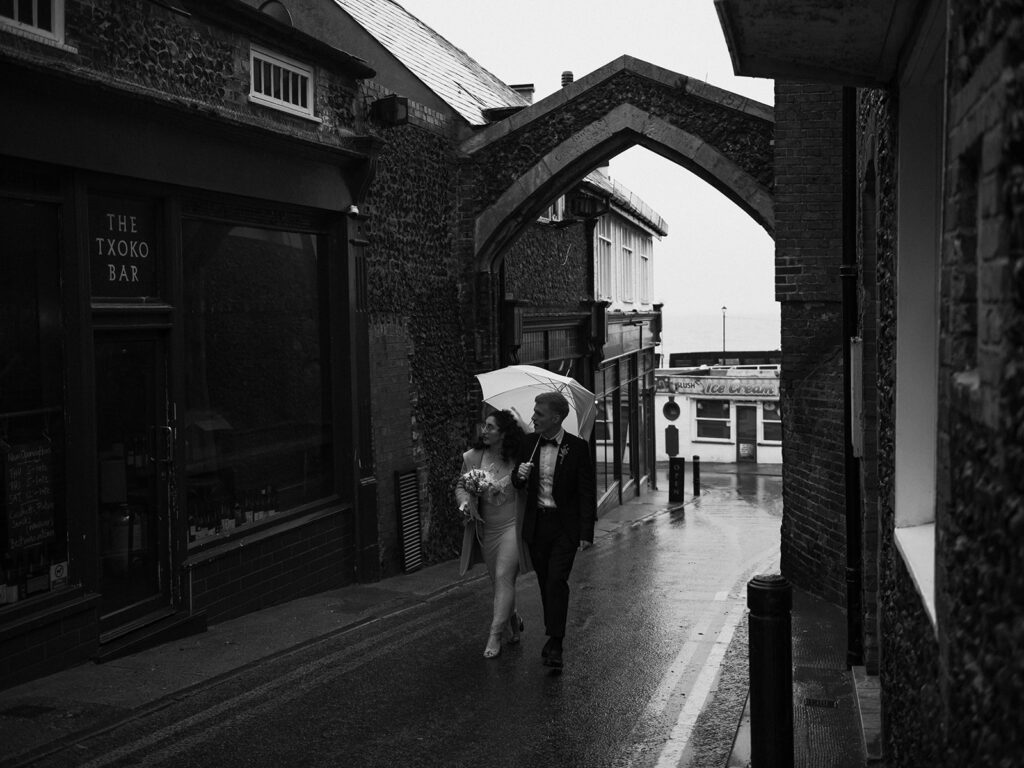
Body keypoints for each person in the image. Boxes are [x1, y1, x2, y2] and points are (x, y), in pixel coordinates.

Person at [512, 391, 596, 669]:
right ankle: (553, 635)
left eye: (539, 413)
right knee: (545, 583)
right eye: (534, 412)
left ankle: (556, 642)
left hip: (564, 527)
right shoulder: (528, 443)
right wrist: (519, 476)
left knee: (556, 582)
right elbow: (517, 483)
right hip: (537, 526)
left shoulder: (578, 447)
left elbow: (586, 491)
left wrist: (586, 532)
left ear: (556, 418)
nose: (533, 417)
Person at [455, 409, 533, 659]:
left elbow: (534, 446)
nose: (484, 431)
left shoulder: (518, 457)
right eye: (484, 426)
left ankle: (494, 635)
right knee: (498, 582)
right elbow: (461, 486)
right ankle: (513, 619)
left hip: (512, 525)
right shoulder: (473, 457)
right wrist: (465, 503)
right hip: (487, 528)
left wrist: (523, 424)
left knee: (502, 575)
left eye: (490, 427)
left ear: (503, 433)